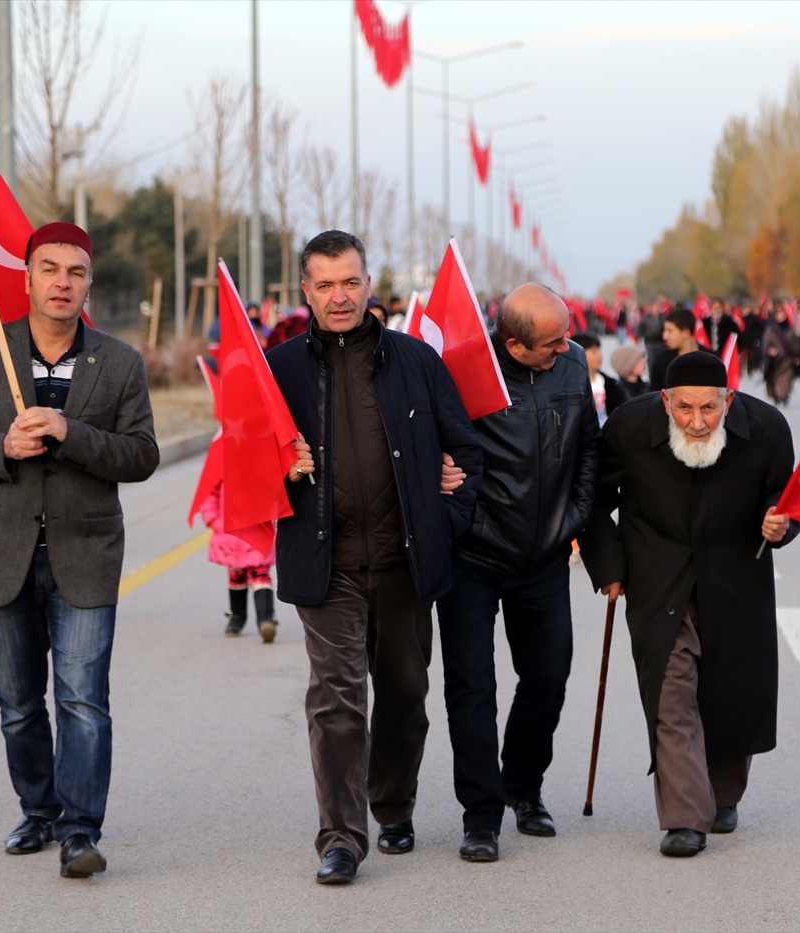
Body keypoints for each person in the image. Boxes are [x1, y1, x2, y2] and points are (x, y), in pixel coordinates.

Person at [0, 222, 159, 879]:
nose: (63, 282)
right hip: (2, 553)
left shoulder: (119, 362)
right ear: (28, 278)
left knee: (83, 699)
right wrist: (1, 448)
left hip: (86, 555)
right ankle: (39, 810)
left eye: (76, 271)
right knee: (19, 704)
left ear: (89, 284)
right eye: (50, 269)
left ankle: (80, 830)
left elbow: (142, 455)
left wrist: (71, 431)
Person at [265, 230, 482, 885]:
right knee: (336, 700)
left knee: (405, 696)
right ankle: (340, 837)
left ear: (368, 284)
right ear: (306, 291)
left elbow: (466, 453)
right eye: (325, 284)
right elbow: (245, 464)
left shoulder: (415, 361)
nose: (339, 296)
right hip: (325, 566)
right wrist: (281, 467)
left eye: (350, 282)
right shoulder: (278, 370)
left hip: (405, 563)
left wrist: (443, 518)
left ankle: (393, 805)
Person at [579, 351, 800, 858]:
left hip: (736, 579)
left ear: (728, 400)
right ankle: (684, 817)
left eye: (708, 408)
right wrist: (609, 565)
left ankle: (722, 796)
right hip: (658, 581)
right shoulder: (629, 426)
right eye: (684, 408)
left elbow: (786, 495)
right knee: (671, 693)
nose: (697, 422)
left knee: (732, 691)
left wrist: (780, 522)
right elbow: (592, 499)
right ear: (665, 401)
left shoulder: (766, 427)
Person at [437, 284, 601, 863]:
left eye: (566, 336)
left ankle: (523, 788)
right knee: (472, 688)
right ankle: (481, 816)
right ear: (514, 344)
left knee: (549, 677)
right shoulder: (464, 371)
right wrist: (464, 518)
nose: (566, 347)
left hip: (546, 556)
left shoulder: (572, 365)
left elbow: (589, 448)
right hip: (473, 559)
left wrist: (574, 516)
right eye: (553, 342)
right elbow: (437, 450)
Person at [199, 480, 278, 641]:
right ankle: (258, 618)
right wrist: (214, 520)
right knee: (245, 577)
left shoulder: (262, 472)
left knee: (254, 575)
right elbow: (209, 494)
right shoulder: (221, 471)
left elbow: (276, 496)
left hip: (256, 531)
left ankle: (248, 620)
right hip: (232, 533)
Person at [649, 309, 716, 392]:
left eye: (670, 331)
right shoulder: (661, 362)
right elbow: (655, 395)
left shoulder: (711, 361)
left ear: (686, 333)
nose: (665, 336)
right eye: (665, 330)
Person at [574, 332, 627, 423]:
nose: (600, 356)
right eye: (594, 352)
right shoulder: (570, 385)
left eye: (600, 351)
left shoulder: (610, 384)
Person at [763, 306, 800, 406]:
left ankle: (783, 395)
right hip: (774, 361)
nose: (780, 317)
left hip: (788, 360)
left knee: (786, 379)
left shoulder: (791, 331)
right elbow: (766, 344)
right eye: (778, 314)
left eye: (782, 315)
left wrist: (797, 356)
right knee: (774, 378)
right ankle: (776, 395)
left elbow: (796, 345)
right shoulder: (770, 330)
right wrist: (770, 350)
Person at [637, 300, 666, 374]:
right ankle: (652, 376)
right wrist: (639, 340)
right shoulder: (645, 318)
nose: (656, 309)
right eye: (654, 307)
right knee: (652, 361)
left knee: (662, 361)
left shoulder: (663, 318)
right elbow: (640, 329)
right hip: (650, 343)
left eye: (657, 307)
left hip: (661, 343)